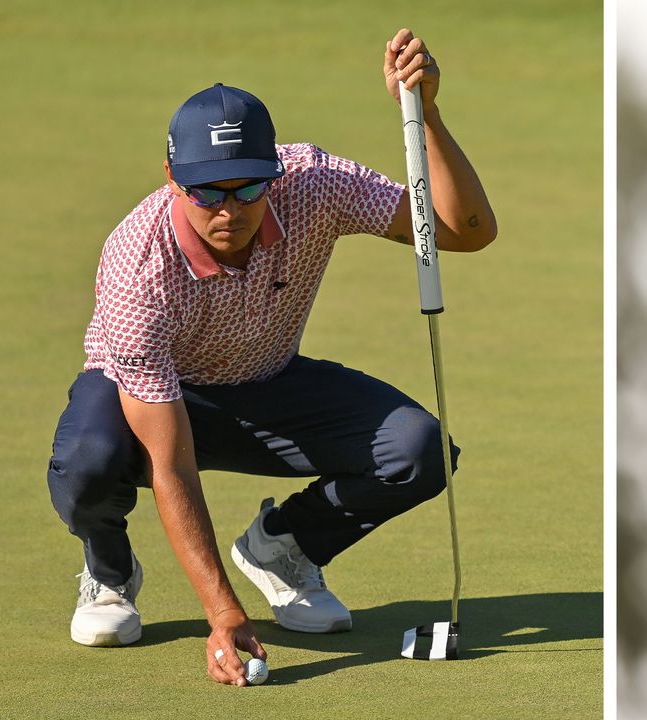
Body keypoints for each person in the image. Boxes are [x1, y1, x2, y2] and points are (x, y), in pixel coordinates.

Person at [46, 28, 496, 686]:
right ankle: (109, 575)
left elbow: (464, 231)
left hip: (268, 384)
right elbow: (170, 465)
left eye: (247, 189)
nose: (228, 210)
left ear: (273, 175)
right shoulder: (135, 266)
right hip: (143, 401)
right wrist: (222, 615)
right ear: (173, 178)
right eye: (207, 192)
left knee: (418, 448)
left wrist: (426, 113)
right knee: (86, 464)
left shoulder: (314, 184)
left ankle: (285, 548)